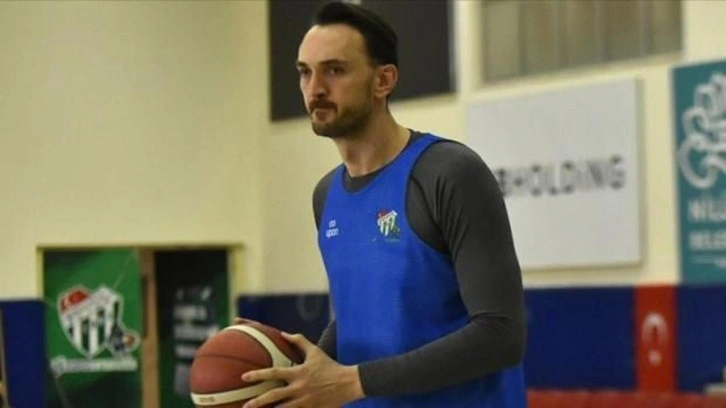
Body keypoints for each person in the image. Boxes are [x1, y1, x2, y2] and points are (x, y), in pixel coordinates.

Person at [240, 2, 526, 407]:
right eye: (305, 72)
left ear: (383, 80)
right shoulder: (326, 195)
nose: (315, 88)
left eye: (334, 70)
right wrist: (296, 368)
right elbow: (354, 321)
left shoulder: (447, 173)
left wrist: (354, 382)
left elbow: (501, 334)